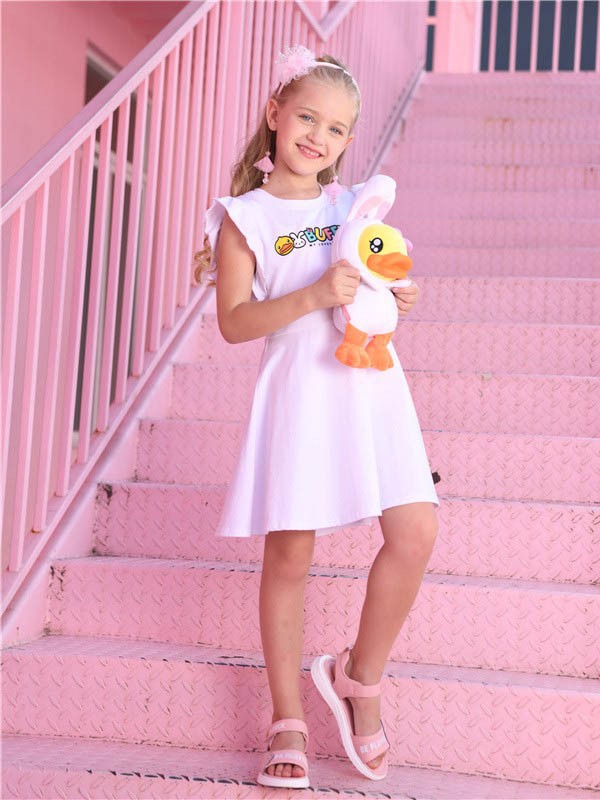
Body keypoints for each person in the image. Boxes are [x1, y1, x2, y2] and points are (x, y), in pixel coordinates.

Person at [200, 44, 439, 790]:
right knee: (290, 557)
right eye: (307, 118)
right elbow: (233, 323)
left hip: (372, 387)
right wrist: (310, 296)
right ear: (275, 113)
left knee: (416, 531)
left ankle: (357, 678)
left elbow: (379, 270)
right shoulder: (245, 218)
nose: (318, 137)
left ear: (347, 140)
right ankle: (287, 718)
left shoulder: (352, 204)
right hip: (301, 392)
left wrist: (397, 293)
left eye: (335, 129)